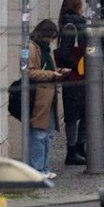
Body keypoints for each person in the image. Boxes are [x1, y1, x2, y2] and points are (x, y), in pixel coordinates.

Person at [24, 19, 63, 176]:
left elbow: (46, 68)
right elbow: (29, 71)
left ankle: (44, 168)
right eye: (50, 37)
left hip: (50, 97)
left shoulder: (44, 49)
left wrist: (57, 71)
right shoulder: (32, 47)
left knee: (49, 134)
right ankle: (36, 169)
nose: (51, 41)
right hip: (39, 98)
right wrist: (51, 74)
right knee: (39, 134)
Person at [55, 0, 90, 166]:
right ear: (76, 7)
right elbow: (64, 52)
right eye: (81, 5)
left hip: (82, 76)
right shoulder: (71, 26)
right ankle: (72, 150)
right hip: (75, 77)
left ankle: (79, 146)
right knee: (73, 114)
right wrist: (80, 64)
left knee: (86, 112)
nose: (83, 8)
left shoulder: (78, 23)